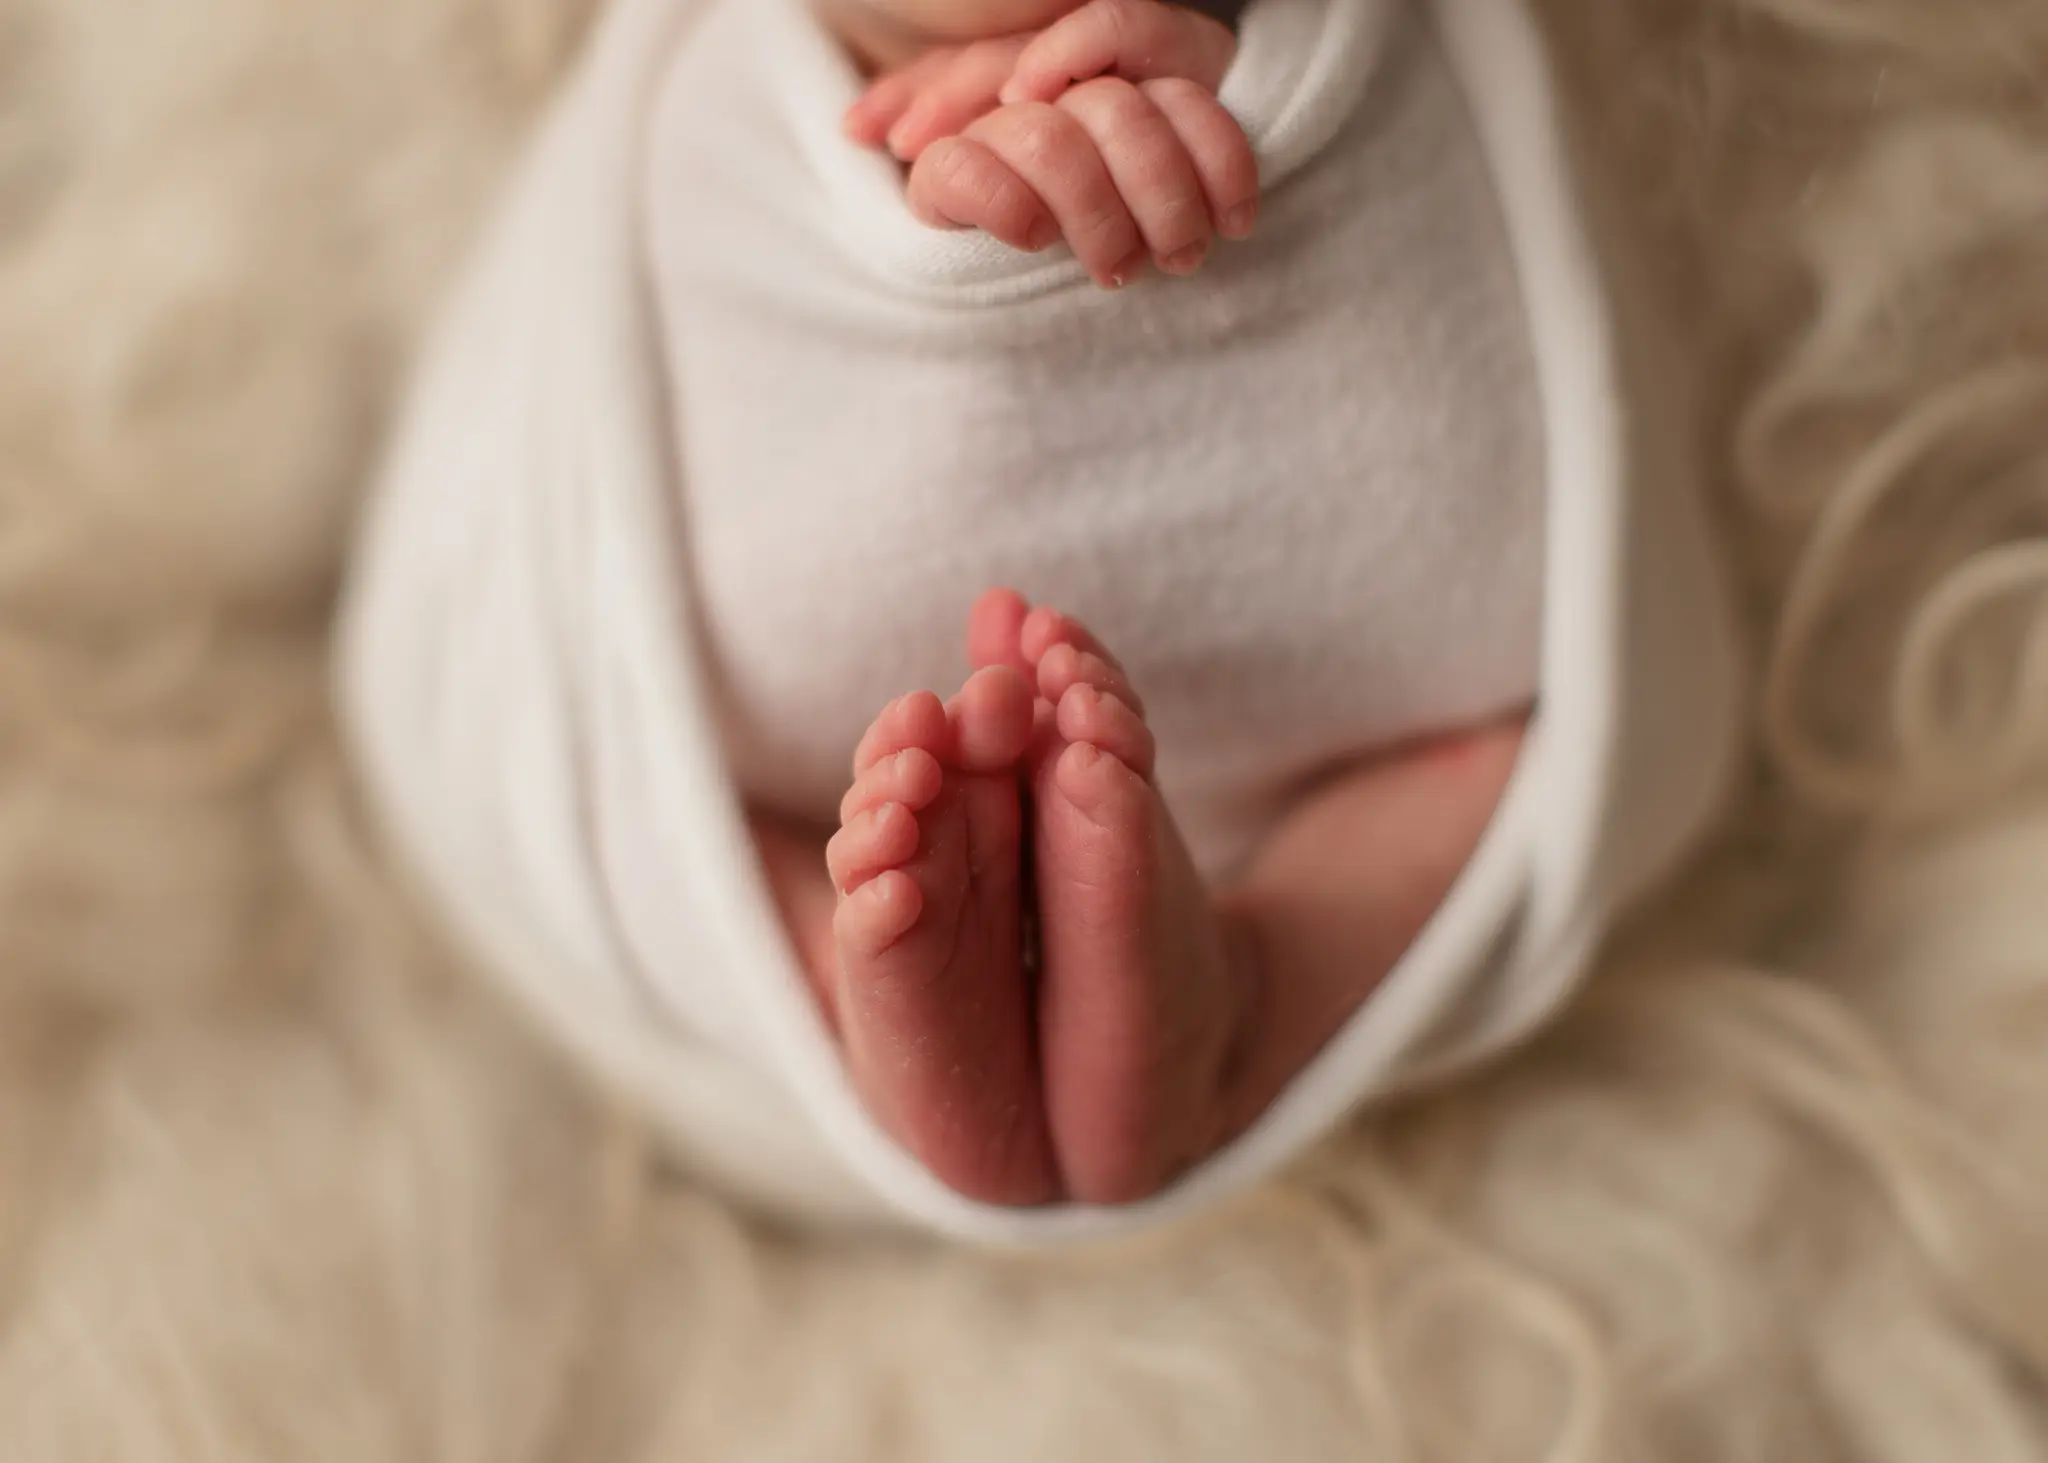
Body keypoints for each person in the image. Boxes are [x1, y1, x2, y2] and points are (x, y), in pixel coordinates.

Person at [338, 0, 1744, 1242]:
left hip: (1356, 676)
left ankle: (1199, 991)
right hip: (777, 666)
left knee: (1501, 763)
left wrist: (1205, 99)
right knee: (624, 768)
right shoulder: (713, 86)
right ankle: (889, 1001)